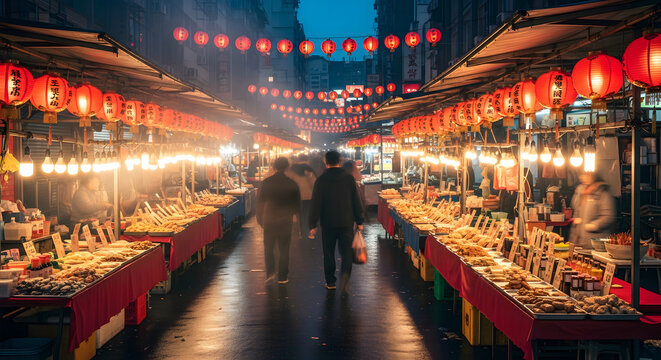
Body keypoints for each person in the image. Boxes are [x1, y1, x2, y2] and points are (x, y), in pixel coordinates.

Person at [309, 150, 364, 292]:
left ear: (325, 162)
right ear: (339, 161)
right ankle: (345, 275)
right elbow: (356, 200)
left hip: (328, 223)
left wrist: (312, 223)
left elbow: (316, 203)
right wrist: (359, 220)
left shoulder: (321, 180)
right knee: (346, 252)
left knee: (328, 252)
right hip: (346, 222)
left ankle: (330, 281)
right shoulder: (348, 178)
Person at [256, 157, 301, 285]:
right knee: (284, 248)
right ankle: (282, 276)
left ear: (274, 167)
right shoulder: (292, 183)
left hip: (269, 219)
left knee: (268, 247)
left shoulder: (267, 182)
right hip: (285, 220)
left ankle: (270, 273)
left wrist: (260, 219)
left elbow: (260, 202)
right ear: (287, 167)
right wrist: (294, 216)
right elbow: (297, 205)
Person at [568, 172, 615, 249]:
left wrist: (594, 225)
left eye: (587, 175)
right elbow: (576, 209)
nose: (584, 177)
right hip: (578, 241)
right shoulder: (580, 191)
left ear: (594, 175)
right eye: (582, 175)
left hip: (595, 243)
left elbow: (608, 216)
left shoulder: (603, 193)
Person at [286, 154, 316, 240]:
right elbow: (314, 183)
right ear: (307, 159)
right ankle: (309, 232)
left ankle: (299, 232)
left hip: (295, 196)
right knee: (307, 214)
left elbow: (289, 181)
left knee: (298, 214)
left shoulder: (291, 169)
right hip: (308, 196)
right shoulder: (309, 169)